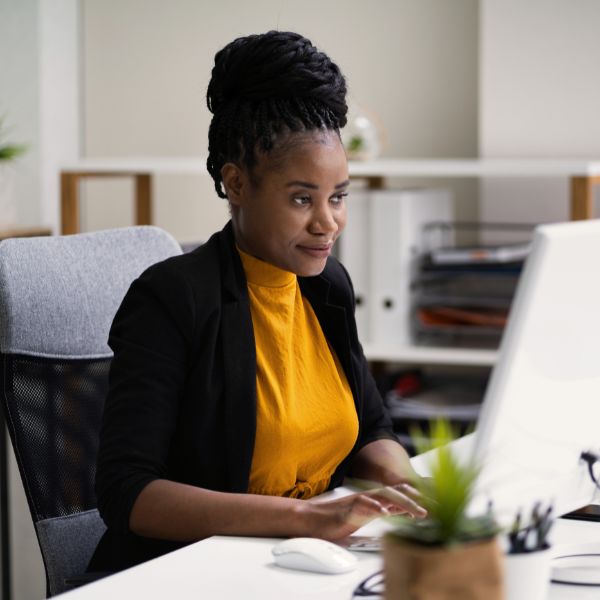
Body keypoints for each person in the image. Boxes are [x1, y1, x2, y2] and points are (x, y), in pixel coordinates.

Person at [89, 30, 425, 573]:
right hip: (189, 571)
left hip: (302, 561)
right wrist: (308, 520)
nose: (327, 222)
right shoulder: (172, 299)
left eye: (338, 197)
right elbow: (128, 494)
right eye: (301, 198)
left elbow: (371, 427)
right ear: (236, 183)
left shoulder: (327, 286)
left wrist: (414, 492)